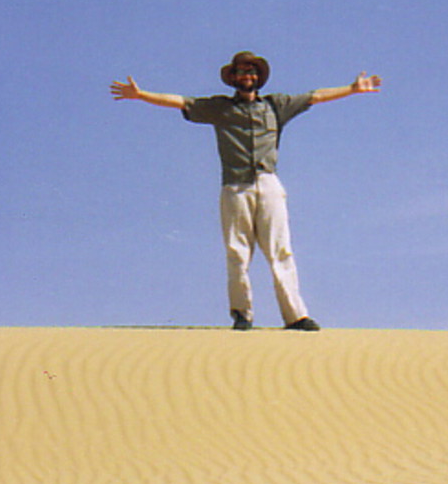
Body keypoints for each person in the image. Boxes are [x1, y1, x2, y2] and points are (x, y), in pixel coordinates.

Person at [110, 51, 382, 330]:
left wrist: (352, 89)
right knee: (237, 252)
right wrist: (141, 95)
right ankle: (242, 314)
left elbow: (315, 96)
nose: (247, 76)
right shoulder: (219, 108)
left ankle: (296, 315)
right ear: (233, 78)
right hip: (234, 186)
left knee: (281, 250)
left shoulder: (277, 105)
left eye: (251, 71)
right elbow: (181, 102)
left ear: (259, 77)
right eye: (241, 72)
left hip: (268, 183)